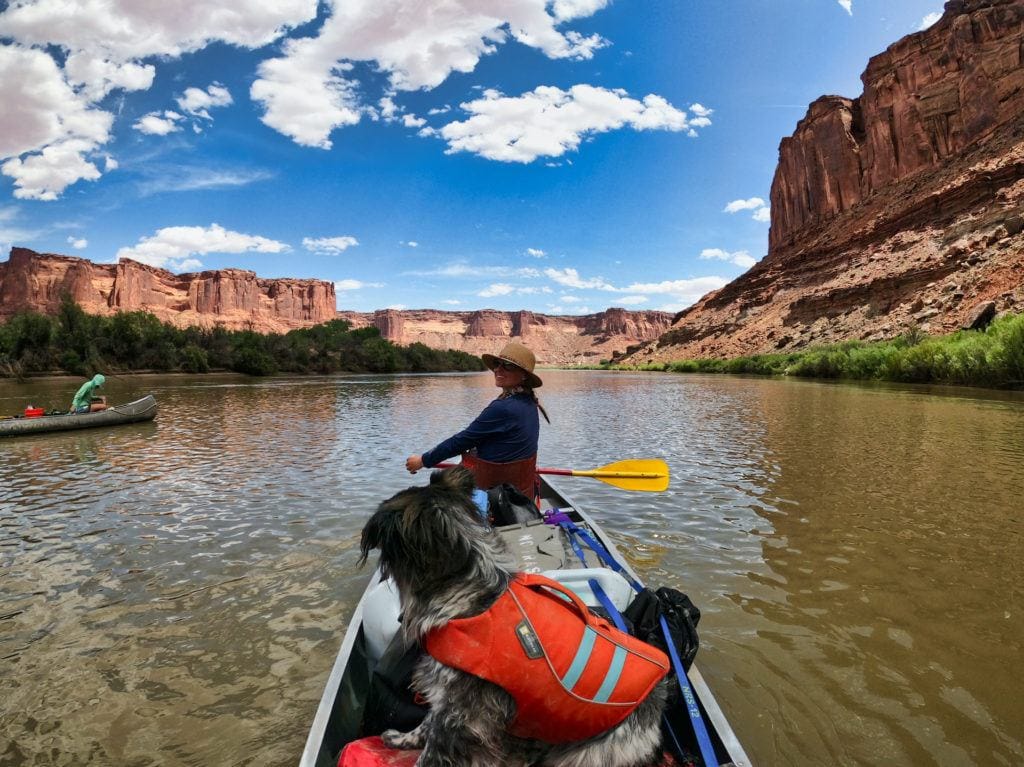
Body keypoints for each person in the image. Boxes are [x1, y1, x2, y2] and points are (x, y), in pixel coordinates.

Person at [406, 342, 549, 497]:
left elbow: (462, 441)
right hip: (522, 491)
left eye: (507, 365)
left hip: (495, 494)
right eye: (497, 364)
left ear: (524, 375)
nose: (498, 369)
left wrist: (423, 460)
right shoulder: (529, 402)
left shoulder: (503, 408)